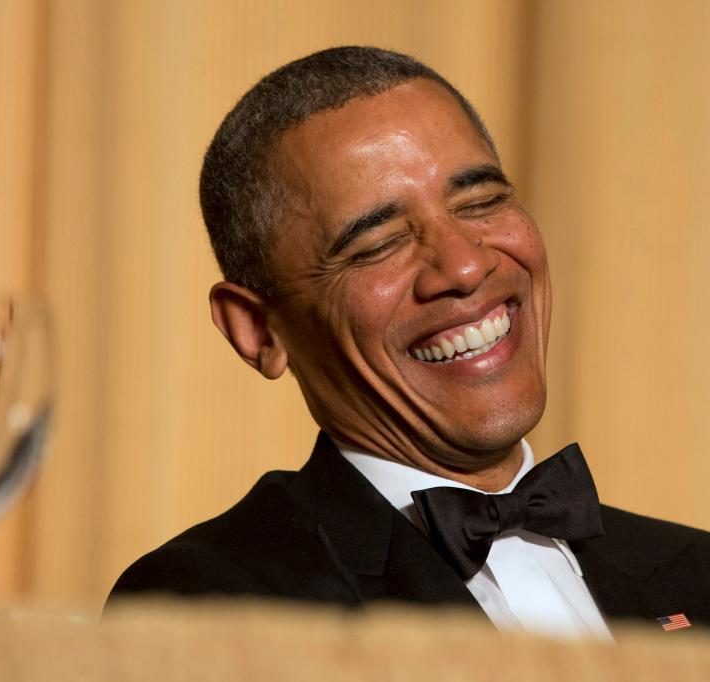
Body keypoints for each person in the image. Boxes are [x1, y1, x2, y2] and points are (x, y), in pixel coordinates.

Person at [107, 46, 710, 638]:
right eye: (377, 245)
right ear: (259, 330)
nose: (465, 267)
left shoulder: (697, 570)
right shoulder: (211, 607)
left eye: (482, 201)